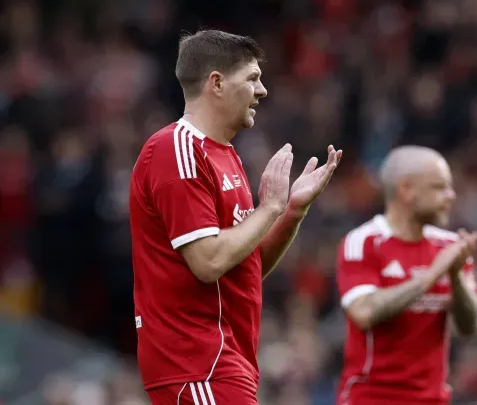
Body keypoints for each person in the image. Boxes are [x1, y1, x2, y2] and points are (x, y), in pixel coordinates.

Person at [130, 29, 342, 405]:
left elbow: (244, 269)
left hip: (225, 363)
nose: (262, 91)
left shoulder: (225, 156)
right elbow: (209, 261)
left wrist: (292, 211)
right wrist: (269, 208)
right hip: (197, 363)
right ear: (216, 83)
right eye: (252, 78)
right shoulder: (176, 149)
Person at [336, 146, 477, 405]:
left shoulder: (449, 247)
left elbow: (470, 325)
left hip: (433, 400)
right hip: (371, 398)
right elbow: (363, 312)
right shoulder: (364, 242)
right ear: (406, 189)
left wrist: (456, 277)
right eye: (439, 187)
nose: (451, 195)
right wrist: (431, 276)